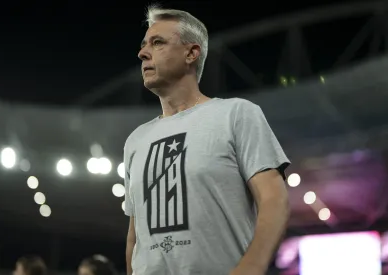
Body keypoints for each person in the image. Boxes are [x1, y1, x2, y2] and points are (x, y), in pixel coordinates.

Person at [124, 4, 290, 275]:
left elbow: (274, 198)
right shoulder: (135, 140)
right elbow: (135, 235)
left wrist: (251, 267)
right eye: (144, 45)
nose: (142, 53)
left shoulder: (235, 114)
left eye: (157, 43)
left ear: (191, 53)